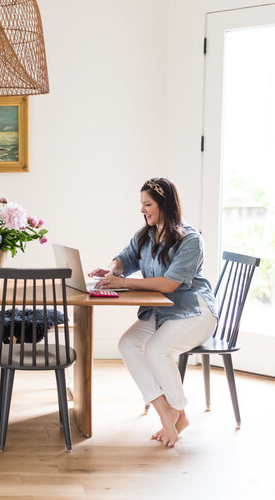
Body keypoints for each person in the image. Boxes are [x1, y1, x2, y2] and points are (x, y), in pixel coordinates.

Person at [89, 177, 217, 447]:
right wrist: (112, 271)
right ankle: (168, 414)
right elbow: (124, 258)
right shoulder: (145, 235)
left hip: (194, 312)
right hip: (161, 312)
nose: (142, 210)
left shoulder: (191, 240)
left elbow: (170, 284)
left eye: (147, 204)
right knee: (128, 343)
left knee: (156, 350)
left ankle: (179, 413)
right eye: (141, 204)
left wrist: (122, 282)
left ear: (164, 205)